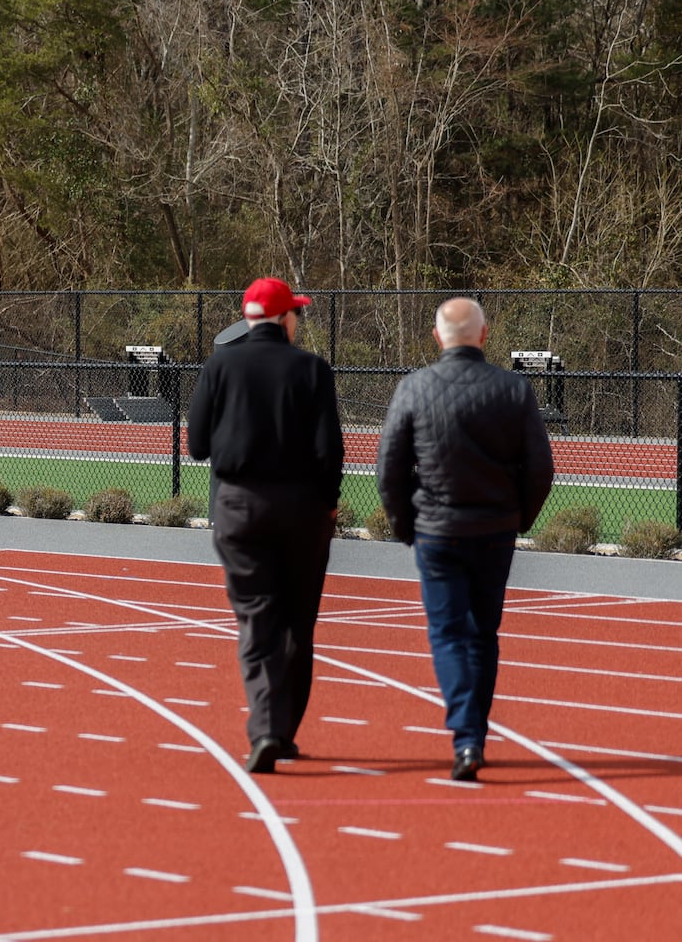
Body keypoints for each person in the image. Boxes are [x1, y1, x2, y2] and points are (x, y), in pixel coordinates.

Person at [376, 297, 554, 781]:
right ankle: (472, 735)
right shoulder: (513, 389)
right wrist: (520, 518)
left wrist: (404, 525)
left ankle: (466, 736)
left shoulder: (414, 388)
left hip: (437, 530)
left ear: (437, 338)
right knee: (482, 634)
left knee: (449, 633)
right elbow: (541, 467)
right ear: (484, 334)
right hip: (494, 531)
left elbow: (389, 468)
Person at [187, 277, 343, 774]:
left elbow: (196, 444)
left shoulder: (220, 365)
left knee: (257, 618)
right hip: (302, 508)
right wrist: (329, 505)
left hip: (239, 507)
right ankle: (284, 731)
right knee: (298, 622)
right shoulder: (311, 369)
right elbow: (330, 450)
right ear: (283, 319)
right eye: (296, 312)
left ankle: (266, 729)